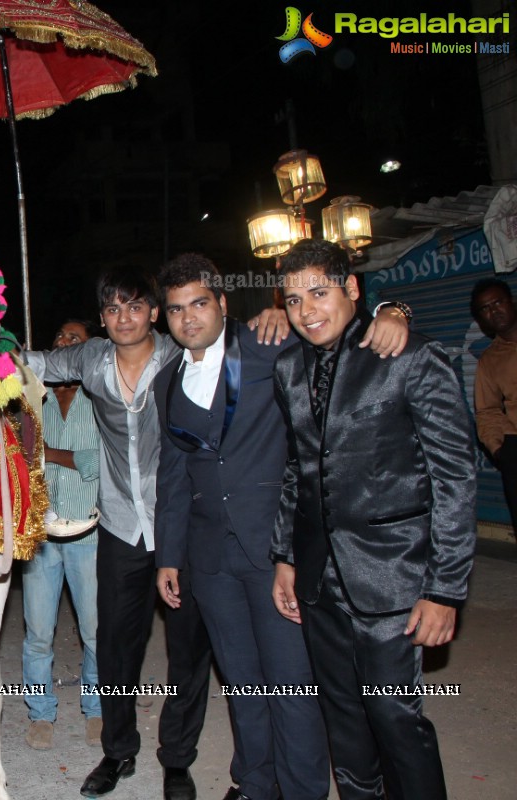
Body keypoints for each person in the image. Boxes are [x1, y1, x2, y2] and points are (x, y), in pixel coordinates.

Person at [153, 253, 411, 800]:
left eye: (200, 303)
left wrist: (393, 309)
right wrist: (169, 556)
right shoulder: (165, 382)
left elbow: (337, 334)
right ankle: (255, 783)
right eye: (176, 310)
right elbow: (172, 475)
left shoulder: (268, 346)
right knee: (242, 683)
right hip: (210, 557)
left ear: (223, 304)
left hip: (277, 551)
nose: (188, 318)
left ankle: (303, 789)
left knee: (292, 685)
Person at [272, 238, 476, 800]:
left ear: (352, 288)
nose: (306, 310)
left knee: (394, 719)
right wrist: (286, 556)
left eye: (318, 292)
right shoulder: (288, 367)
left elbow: (455, 478)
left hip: (396, 578)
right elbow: (298, 469)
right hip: (318, 580)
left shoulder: (410, 355)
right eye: (292, 300)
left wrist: (445, 589)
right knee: (346, 726)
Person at [23, 272, 220, 800]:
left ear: (155, 312)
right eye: (112, 309)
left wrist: (391, 312)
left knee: (187, 648)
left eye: (135, 306)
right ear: (103, 317)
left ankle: (177, 760)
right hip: (118, 524)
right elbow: (35, 362)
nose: (124, 317)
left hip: (181, 521)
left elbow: (244, 338)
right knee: (114, 646)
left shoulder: (183, 354)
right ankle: (118, 751)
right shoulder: (89, 358)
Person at [22, 319, 103, 751]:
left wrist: (44, 453)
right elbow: (17, 458)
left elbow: (97, 463)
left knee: (95, 632)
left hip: (90, 530)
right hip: (41, 535)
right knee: (38, 633)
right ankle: (40, 713)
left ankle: (98, 709)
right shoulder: (34, 399)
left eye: (75, 339)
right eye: (59, 338)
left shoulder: (99, 399)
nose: (65, 343)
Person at [471, 277, 517, 527]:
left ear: (511, 302)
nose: (493, 311)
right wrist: (500, 451)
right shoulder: (489, 360)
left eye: (498, 302)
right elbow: (486, 410)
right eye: (485, 309)